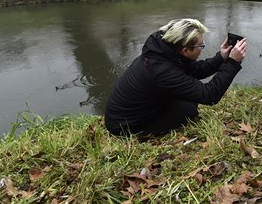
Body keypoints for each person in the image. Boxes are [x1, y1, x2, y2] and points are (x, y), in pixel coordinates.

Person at [104, 18, 247, 136]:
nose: (202, 47)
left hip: (126, 115)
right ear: (185, 51)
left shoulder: (164, 52)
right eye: (201, 46)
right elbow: (209, 95)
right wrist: (232, 63)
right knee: (189, 109)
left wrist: (222, 57)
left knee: (187, 99)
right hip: (124, 127)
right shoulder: (162, 71)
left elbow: (194, 70)